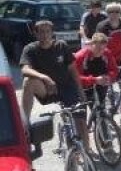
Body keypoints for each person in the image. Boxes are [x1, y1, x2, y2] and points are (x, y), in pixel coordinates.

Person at [20, 20, 89, 151]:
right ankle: (24, 124)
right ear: (36, 34)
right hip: (48, 90)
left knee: (80, 121)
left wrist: (81, 91)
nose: (45, 35)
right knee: (28, 81)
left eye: (48, 31)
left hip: (67, 89)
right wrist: (45, 77)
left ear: (52, 33)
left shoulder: (62, 46)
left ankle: (86, 153)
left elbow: (73, 70)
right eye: (41, 32)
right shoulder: (30, 49)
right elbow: (24, 69)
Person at [74, 32, 119, 107]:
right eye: (98, 48)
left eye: (103, 48)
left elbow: (114, 69)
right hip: (84, 87)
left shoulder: (107, 53)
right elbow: (75, 77)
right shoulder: (80, 56)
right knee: (82, 111)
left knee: (101, 109)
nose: (100, 51)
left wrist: (109, 77)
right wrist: (94, 80)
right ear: (91, 45)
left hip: (101, 83)